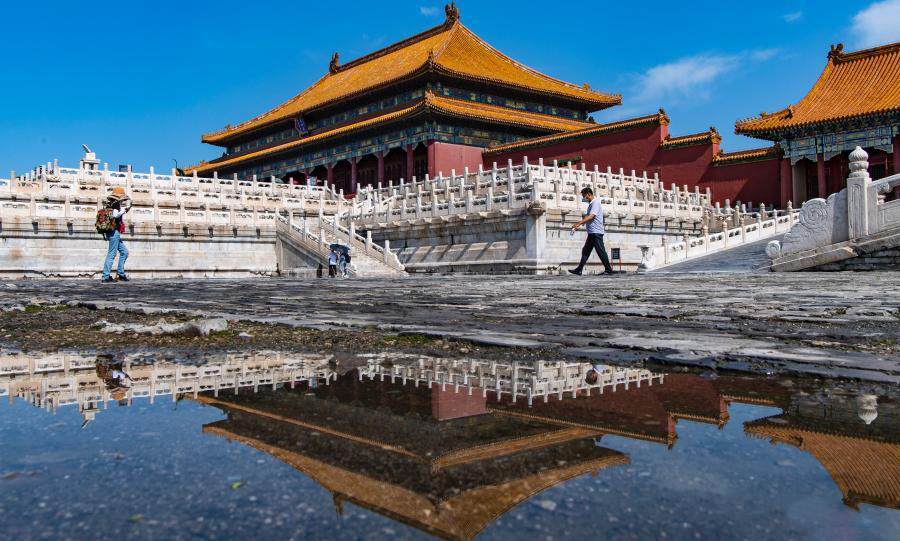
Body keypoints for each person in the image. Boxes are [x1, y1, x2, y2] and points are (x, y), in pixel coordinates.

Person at [569, 187, 614, 276]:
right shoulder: (591, 204)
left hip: (596, 232)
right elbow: (589, 218)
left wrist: (578, 223)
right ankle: (579, 269)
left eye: (584, 196)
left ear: (588, 194)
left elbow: (591, 216)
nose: (583, 198)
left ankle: (608, 269)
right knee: (586, 250)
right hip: (592, 232)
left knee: (600, 251)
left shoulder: (595, 203)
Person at [101, 187, 131, 283]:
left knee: (124, 252)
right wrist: (124, 211)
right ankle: (105, 276)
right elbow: (115, 215)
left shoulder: (109, 204)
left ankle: (121, 274)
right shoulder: (115, 204)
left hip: (113, 233)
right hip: (114, 232)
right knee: (111, 254)